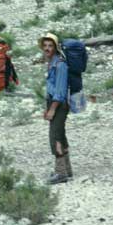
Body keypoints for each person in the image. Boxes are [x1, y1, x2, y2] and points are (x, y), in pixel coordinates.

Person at [38, 32, 73, 184]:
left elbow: (59, 91)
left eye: (50, 46)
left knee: (55, 137)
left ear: (56, 47)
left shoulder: (60, 65)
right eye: (45, 46)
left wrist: (52, 109)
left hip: (58, 105)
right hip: (53, 103)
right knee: (60, 134)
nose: (47, 48)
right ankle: (67, 169)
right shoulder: (52, 62)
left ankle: (61, 173)